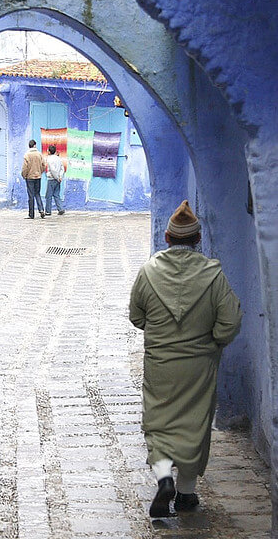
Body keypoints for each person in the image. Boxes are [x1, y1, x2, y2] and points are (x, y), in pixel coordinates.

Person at [129, 200, 241, 517]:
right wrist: (213, 341)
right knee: (194, 424)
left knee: (160, 422)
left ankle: (164, 478)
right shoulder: (213, 275)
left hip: (160, 364)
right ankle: (186, 493)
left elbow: (136, 317)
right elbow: (230, 321)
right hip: (199, 366)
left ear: (167, 238)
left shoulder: (148, 273)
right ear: (197, 240)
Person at [21, 139, 46, 219]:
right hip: (38, 176)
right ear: (34, 145)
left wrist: (24, 175)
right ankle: (41, 209)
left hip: (30, 177)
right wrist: (40, 172)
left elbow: (25, 167)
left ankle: (31, 214)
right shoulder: (39, 154)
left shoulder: (27, 155)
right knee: (37, 193)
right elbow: (43, 165)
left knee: (31, 196)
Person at [44, 145, 65, 216]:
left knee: (48, 195)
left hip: (52, 179)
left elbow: (53, 170)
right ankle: (60, 208)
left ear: (49, 151)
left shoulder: (49, 159)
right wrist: (60, 176)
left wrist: (57, 177)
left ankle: (48, 211)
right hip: (58, 179)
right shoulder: (58, 158)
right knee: (56, 194)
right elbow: (62, 168)